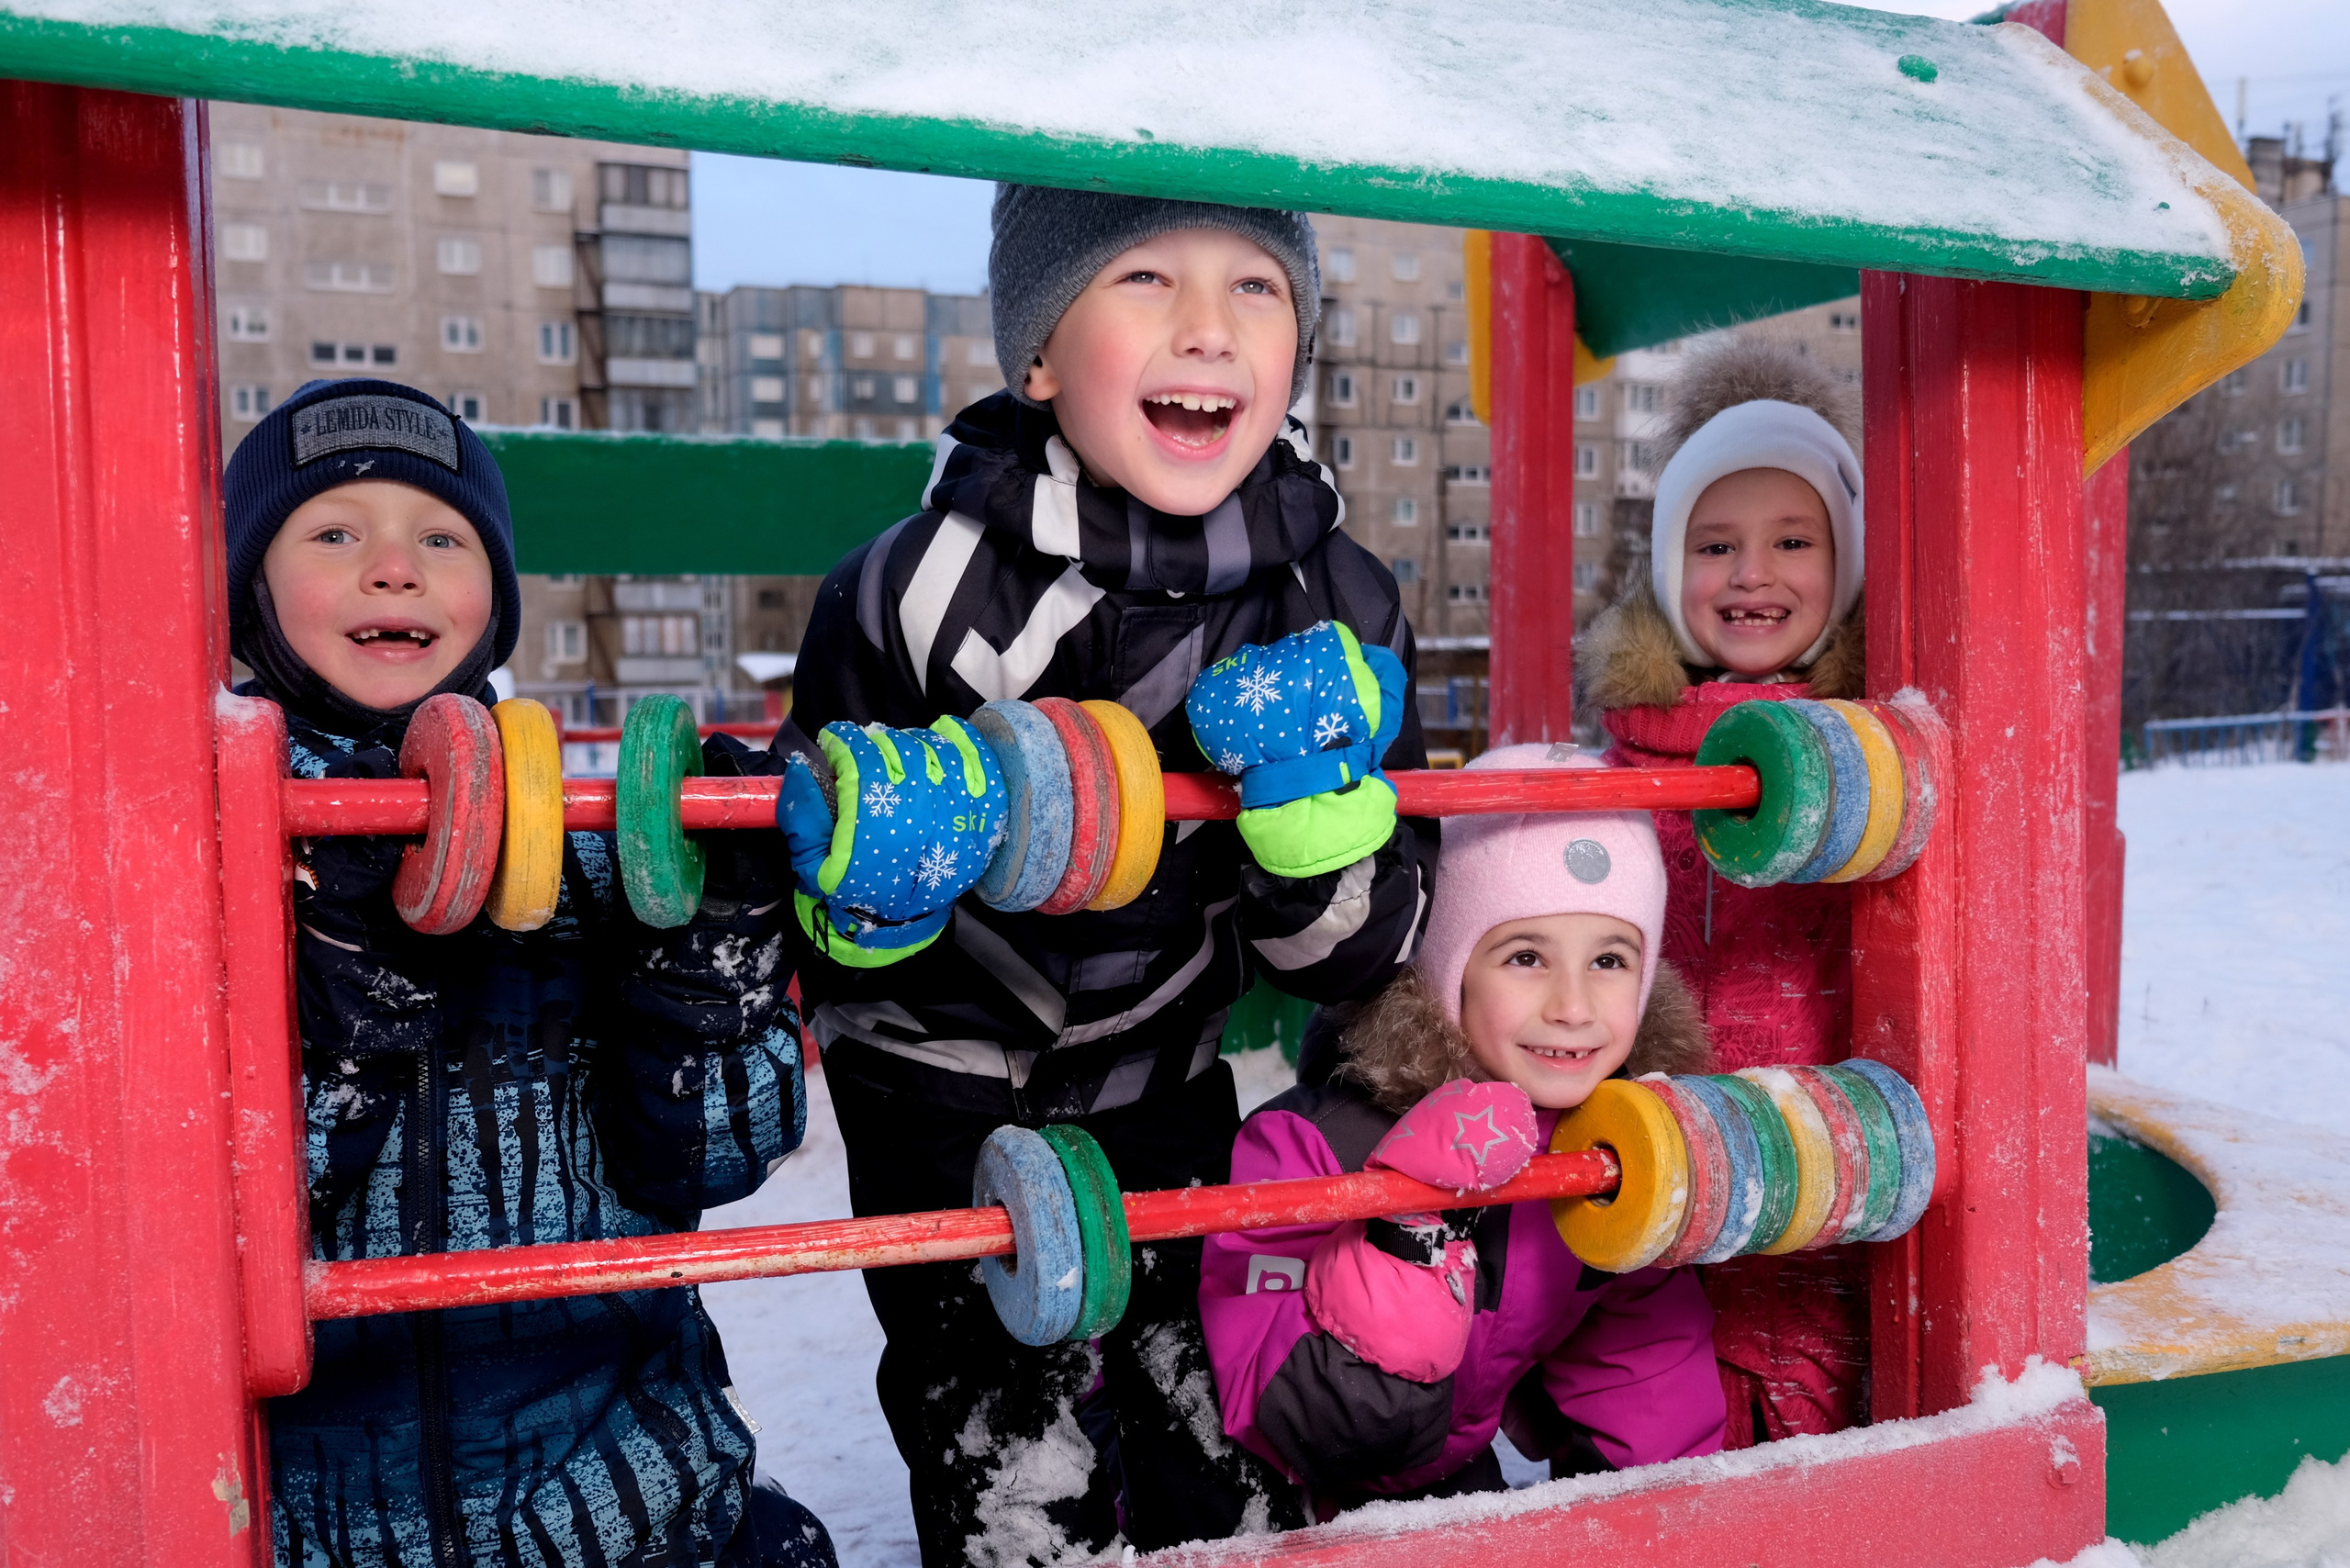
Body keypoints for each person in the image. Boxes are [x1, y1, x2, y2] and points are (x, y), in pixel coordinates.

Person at [777, 188, 1434, 1563]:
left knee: (1210, 1436)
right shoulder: (911, 593)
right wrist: (875, 894)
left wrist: (1315, 831)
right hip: (939, 1088)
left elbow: (1358, 958)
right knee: (1010, 1458)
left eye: (1256, 287)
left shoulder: (1341, 606)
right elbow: (801, 902)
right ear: (1038, 354)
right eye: (1144, 277)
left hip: (1170, 1072)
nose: (1207, 327)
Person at [222, 378, 832, 1568]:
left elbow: (714, 1162)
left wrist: (712, 972)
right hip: (320, 1527)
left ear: (496, 604)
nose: (393, 569)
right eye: (334, 533)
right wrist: (339, 1015)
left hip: (630, 1502)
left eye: (442, 539)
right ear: (249, 594)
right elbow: (197, 1237)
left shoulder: (587, 851)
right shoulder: (193, 866)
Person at [1199, 745, 1723, 1517]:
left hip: (1445, 1469)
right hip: (1274, 1491)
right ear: (1448, 973)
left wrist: (1664, 1520)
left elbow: (1641, 1359)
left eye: (1610, 960)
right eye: (1526, 956)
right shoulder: (1313, 1145)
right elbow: (1283, 1413)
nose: (1573, 1007)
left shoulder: (1605, 1149)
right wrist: (1412, 1224)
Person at [1574, 338, 1869, 1447]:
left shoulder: (1870, 760)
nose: (1752, 573)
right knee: (1646, 1445)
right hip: (1649, 1187)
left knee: (1816, 1442)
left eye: (1792, 541)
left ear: (1846, 562)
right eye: (1714, 545)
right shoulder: (1623, 767)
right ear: (1667, 564)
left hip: (1825, 1185)